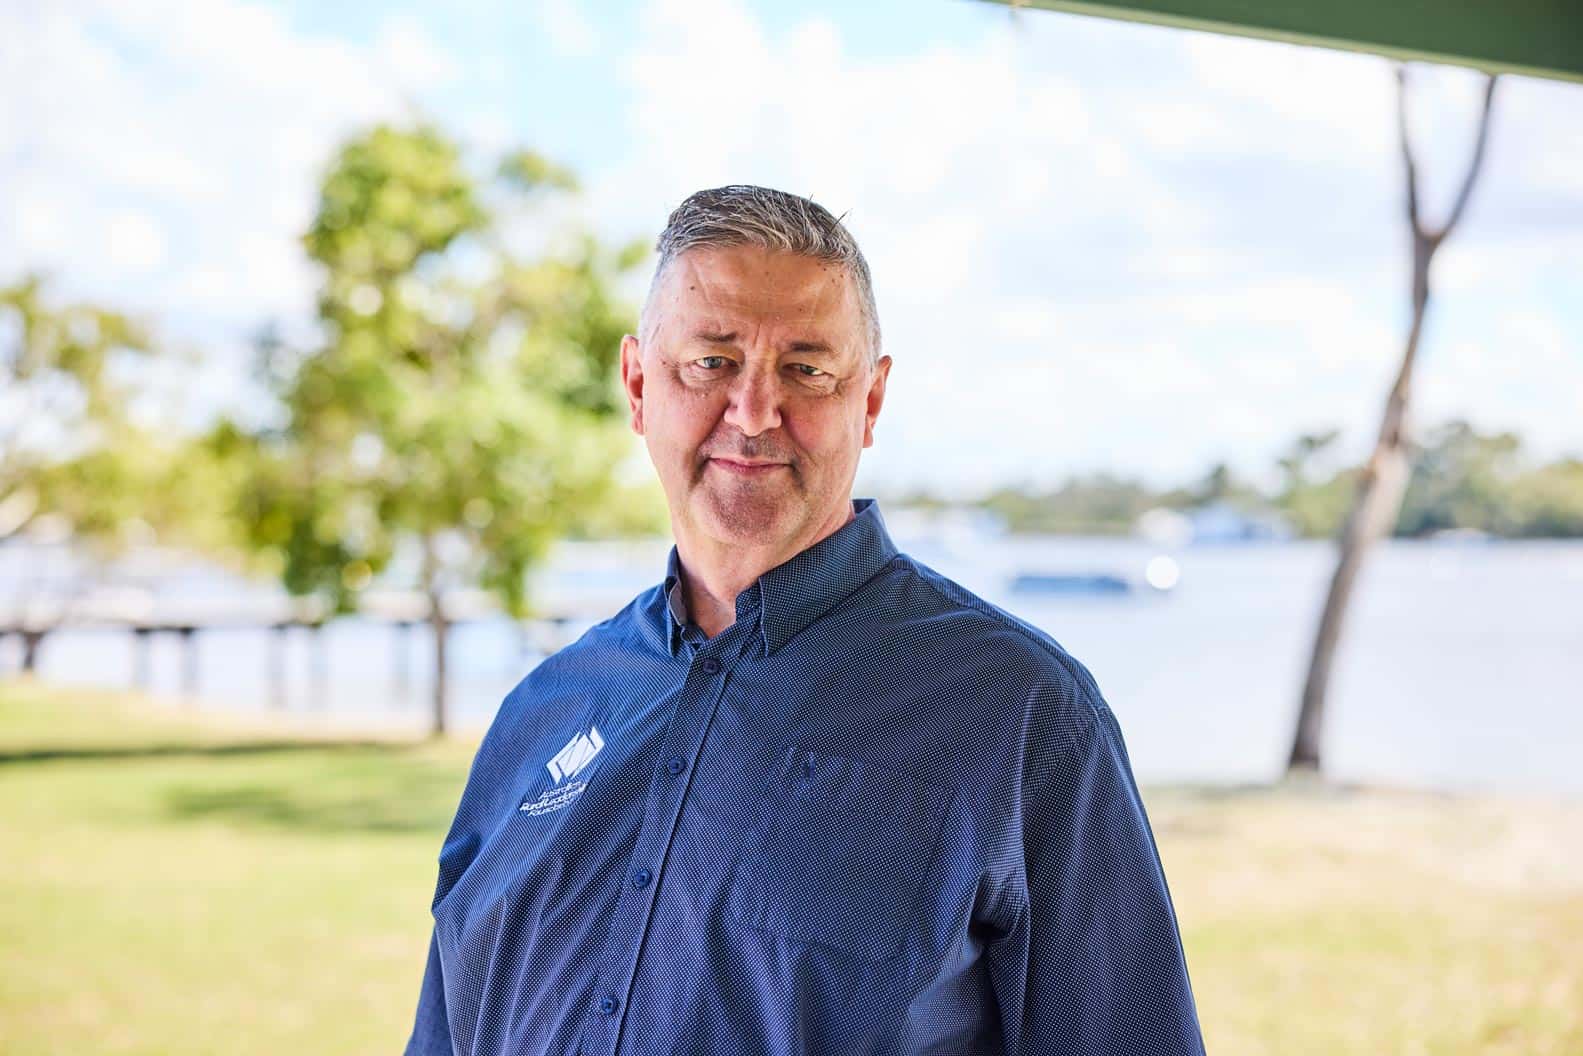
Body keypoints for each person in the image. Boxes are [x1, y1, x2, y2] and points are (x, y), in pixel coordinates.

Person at [404, 185, 1205, 1056]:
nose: (752, 414)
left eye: (807, 369)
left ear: (869, 400)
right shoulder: (543, 712)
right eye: (710, 362)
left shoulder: (1023, 714)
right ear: (638, 385)